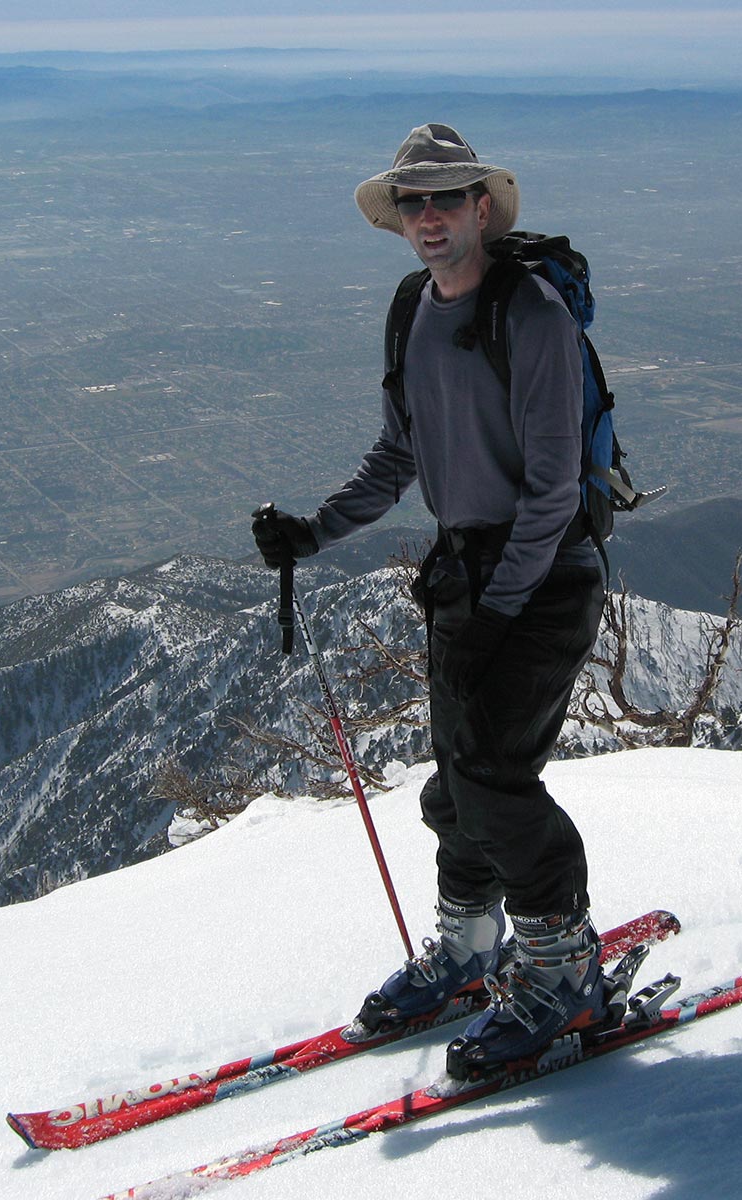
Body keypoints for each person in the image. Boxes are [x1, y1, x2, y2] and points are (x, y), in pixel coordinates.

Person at [252, 123, 609, 1070]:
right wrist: (313, 530)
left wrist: (501, 610)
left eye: (447, 198)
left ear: (482, 206)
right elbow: (400, 454)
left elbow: (554, 490)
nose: (429, 216)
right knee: (456, 779)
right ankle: (468, 950)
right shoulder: (413, 309)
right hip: (465, 578)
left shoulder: (530, 314)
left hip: (543, 579)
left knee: (495, 774)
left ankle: (561, 964)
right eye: (413, 202)